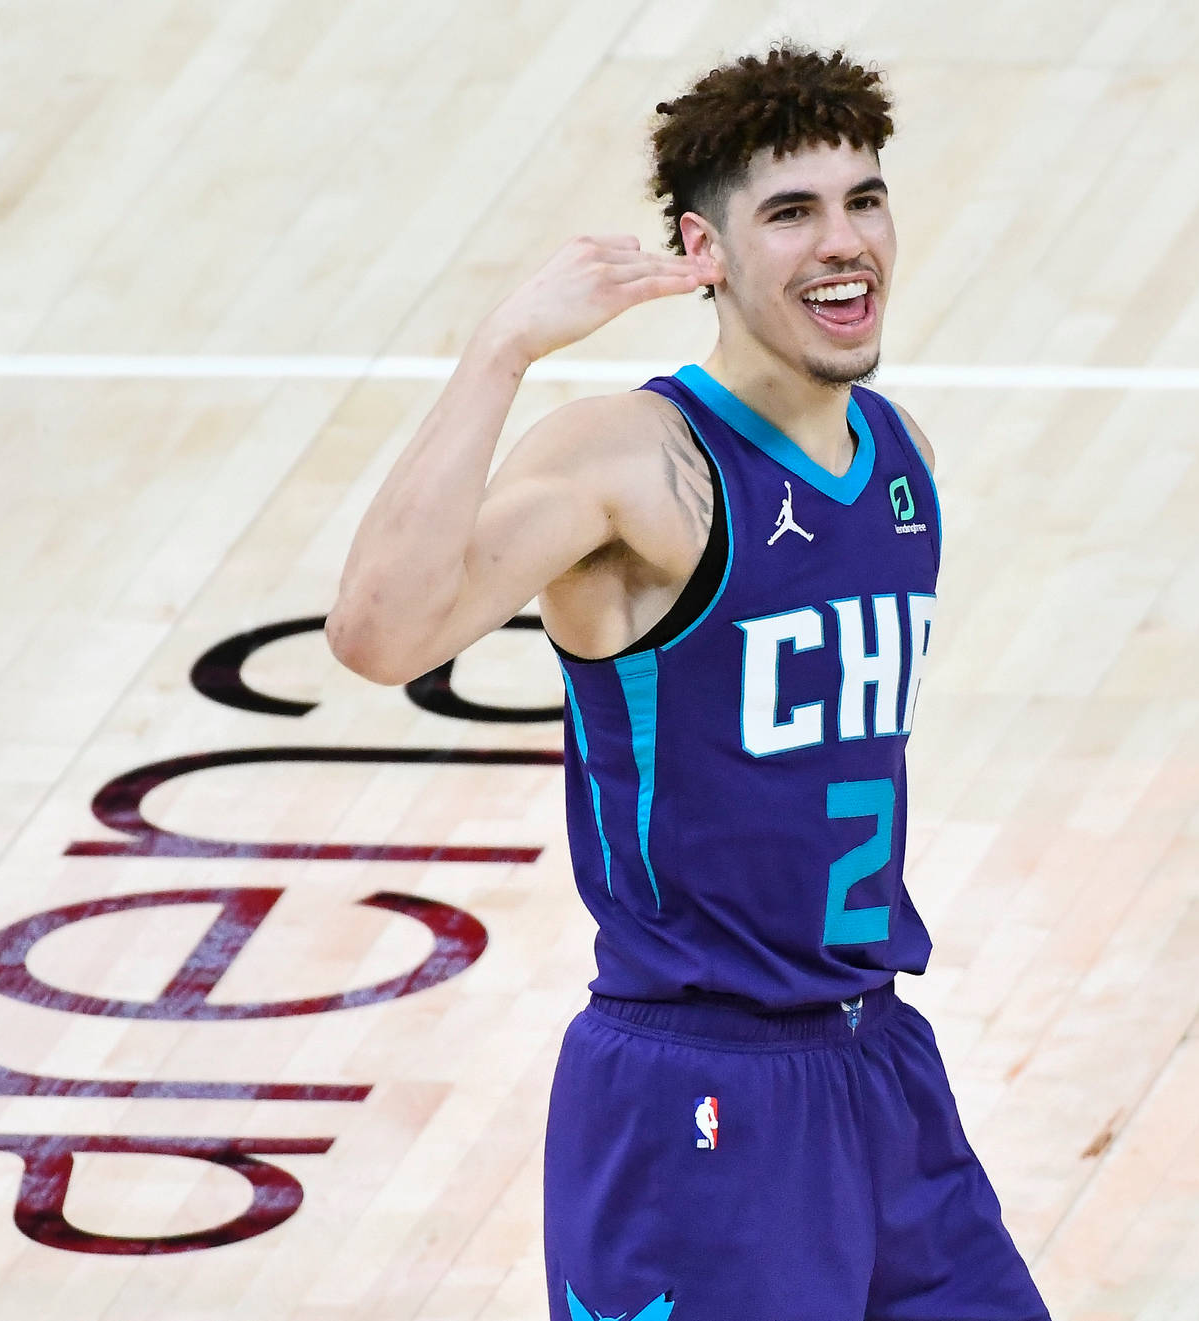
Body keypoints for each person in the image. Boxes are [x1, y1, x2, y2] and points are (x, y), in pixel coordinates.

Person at [325, 45, 1051, 1321]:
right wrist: (501, 351)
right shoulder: (638, 459)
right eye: (792, 212)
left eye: (863, 198)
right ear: (700, 248)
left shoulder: (900, 456)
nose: (846, 242)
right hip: (697, 1094)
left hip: (880, 1067)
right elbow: (380, 635)